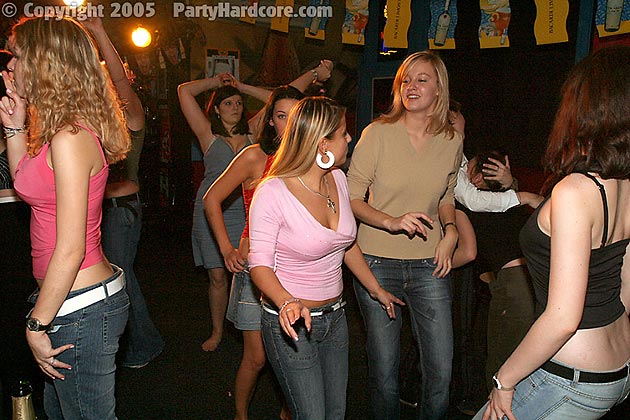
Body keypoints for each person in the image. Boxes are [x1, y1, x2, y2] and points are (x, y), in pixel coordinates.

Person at [475, 45, 630, 420]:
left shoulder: (575, 191)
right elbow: (625, 290)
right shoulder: (625, 184)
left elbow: (563, 318)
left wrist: (504, 381)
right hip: (617, 368)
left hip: (572, 377)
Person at [0, 16, 131, 420]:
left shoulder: (71, 138)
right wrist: (15, 127)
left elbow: (71, 247)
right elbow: (23, 183)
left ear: (44, 63)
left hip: (81, 308)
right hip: (67, 303)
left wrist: (36, 324)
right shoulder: (57, 131)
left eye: (17, 56)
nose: (9, 66)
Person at [248, 96, 403, 419]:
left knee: (335, 413)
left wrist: (375, 289)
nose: (349, 138)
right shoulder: (273, 192)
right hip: (292, 325)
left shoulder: (338, 179)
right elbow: (259, 265)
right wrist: (287, 301)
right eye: (343, 133)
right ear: (322, 144)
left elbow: (345, 244)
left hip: (335, 319)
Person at [204, 62, 332, 420]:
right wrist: (226, 248)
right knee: (257, 357)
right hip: (255, 269)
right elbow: (211, 200)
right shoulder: (254, 157)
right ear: (270, 121)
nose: (287, 123)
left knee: (295, 355)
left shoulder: (314, 161)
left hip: (295, 270)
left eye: (295, 115)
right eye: (280, 115)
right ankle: (241, 415)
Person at [346, 50, 463, 420]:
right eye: (406, 80)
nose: (411, 86)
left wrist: (451, 231)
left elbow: (446, 197)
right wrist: (390, 221)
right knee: (385, 373)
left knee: (441, 371)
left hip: (430, 265)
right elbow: (350, 199)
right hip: (377, 263)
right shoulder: (377, 134)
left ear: (439, 88)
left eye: (421, 79)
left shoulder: (451, 139)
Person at [82, 17, 164, 369]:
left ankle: (144, 345)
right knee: (109, 277)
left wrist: (100, 32)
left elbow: (117, 80)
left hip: (121, 209)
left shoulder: (131, 117)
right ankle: (120, 345)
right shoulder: (94, 119)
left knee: (121, 276)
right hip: (98, 210)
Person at [464, 151, 542, 393]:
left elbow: (469, 253)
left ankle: (493, 408)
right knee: (525, 357)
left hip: (515, 285)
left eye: (468, 169)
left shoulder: (474, 206)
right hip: (536, 279)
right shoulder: (512, 202)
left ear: (478, 179)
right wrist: (511, 183)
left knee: (502, 360)